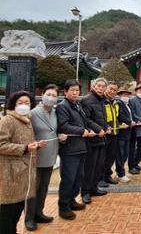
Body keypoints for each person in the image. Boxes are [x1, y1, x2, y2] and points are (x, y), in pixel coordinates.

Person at [0, 91, 44, 234]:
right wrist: (24, 148)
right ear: (13, 104)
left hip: (24, 172)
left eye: (27, 103)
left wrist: (35, 145)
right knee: (8, 209)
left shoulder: (27, 120)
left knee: (18, 207)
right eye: (20, 103)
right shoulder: (7, 120)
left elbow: (26, 143)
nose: (24, 106)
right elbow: (1, 144)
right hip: (10, 173)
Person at [25, 85, 67, 231]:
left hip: (50, 156)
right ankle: (29, 218)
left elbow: (54, 131)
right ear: (42, 95)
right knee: (33, 189)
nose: (51, 97)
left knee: (43, 187)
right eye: (48, 94)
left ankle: (39, 213)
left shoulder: (55, 113)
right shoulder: (32, 113)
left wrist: (60, 136)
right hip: (35, 156)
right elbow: (25, 134)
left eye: (54, 95)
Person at [57, 79, 94, 220]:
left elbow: (84, 122)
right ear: (65, 92)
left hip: (81, 147)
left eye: (77, 90)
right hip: (70, 149)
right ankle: (63, 207)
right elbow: (63, 126)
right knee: (68, 178)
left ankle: (72, 201)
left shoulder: (77, 105)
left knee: (78, 177)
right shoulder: (63, 107)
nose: (75, 92)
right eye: (72, 90)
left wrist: (89, 129)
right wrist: (81, 130)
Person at [80, 78, 109, 204]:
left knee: (99, 165)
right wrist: (98, 129)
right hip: (91, 139)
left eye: (103, 86)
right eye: (99, 86)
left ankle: (94, 187)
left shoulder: (102, 101)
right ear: (94, 86)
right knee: (89, 166)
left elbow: (102, 117)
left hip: (101, 138)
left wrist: (106, 126)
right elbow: (86, 119)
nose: (101, 88)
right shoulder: (87, 100)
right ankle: (85, 191)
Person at [101, 81, 120, 186]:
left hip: (114, 133)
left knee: (111, 157)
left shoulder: (115, 102)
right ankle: (100, 178)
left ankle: (107, 176)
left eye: (114, 90)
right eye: (110, 89)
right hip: (104, 134)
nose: (112, 91)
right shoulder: (101, 101)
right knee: (102, 158)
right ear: (106, 88)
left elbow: (116, 117)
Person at [115, 87, 134, 183]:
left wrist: (132, 121)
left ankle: (121, 172)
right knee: (120, 155)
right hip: (121, 133)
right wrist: (129, 121)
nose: (126, 96)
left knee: (125, 154)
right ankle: (120, 174)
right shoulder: (118, 103)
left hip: (128, 133)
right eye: (124, 95)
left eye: (127, 95)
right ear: (120, 95)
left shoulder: (127, 105)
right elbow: (120, 115)